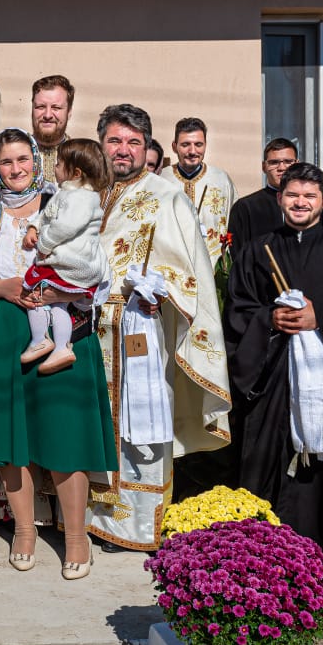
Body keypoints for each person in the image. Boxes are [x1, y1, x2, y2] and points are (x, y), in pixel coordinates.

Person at [0, 130, 118, 577]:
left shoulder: (65, 200)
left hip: (64, 319)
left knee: (66, 431)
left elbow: (99, 268)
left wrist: (62, 294)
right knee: (16, 438)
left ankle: (74, 536)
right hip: (9, 327)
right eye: (6, 162)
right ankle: (25, 530)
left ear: (37, 161)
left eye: (23, 159)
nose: (16, 169)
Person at [85, 105, 231, 553]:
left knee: (138, 427)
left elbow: (194, 273)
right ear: (102, 144)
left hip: (139, 333)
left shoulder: (166, 196)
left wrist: (156, 288)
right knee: (89, 423)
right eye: (115, 141)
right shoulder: (90, 192)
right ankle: (85, 516)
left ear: (147, 147)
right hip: (88, 329)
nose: (123, 150)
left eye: (133, 142)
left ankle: (135, 526)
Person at [225, 162, 323, 566]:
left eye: (310, 196)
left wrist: (321, 317)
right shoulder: (257, 251)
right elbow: (237, 309)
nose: (300, 203)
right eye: (293, 195)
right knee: (266, 459)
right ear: (280, 198)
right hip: (272, 376)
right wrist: (268, 319)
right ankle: (259, 554)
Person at [20, 139, 112, 375]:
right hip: (69, 265)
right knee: (59, 303)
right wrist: (33, 227)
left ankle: (41, 339)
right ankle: (60, 346)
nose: (55, 168)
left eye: (59, 164)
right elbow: (48, 216)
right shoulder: (68, 194)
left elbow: (64, 227)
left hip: (70, 263)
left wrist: (44, 244)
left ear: (76, 172)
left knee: (34, 292)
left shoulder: (82, 198)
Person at [161, 117, 237, 264]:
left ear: (205, 145)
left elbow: (233, 224)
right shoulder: (162, 179)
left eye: (198, 144)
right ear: (174, 146)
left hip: (213, 264)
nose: (192, 151)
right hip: (172, 263)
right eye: (185, 145)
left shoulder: (221, 180)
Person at [228, 138, 297, 245]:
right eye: (274, 162)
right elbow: (238, 254)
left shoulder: (308, 204)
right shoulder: (245, 207)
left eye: (288, 162)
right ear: (264, 167)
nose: (281, 168)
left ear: (297, 164)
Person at [30, 74, 74, 178]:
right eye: (40, 107)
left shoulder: (79, 158)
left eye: (56, 107)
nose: (47, 115)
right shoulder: (15, 154)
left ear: (69, 112)